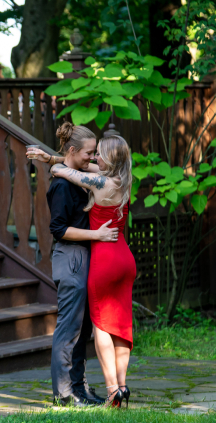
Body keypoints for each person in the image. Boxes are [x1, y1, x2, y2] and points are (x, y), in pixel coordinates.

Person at [27, 128, 136, 408]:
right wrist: (54, 161)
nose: (93, 157)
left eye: (97, 153)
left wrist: (55, 162)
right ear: (74, 152)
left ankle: (79, 386)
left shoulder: (95, 179)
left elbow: (76, 169)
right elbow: (59, 229)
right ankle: (65, 393)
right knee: (75, 329)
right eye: (90, 151)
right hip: (78, 258)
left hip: (95, 257)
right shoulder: (80, 183)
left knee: (87, 328)